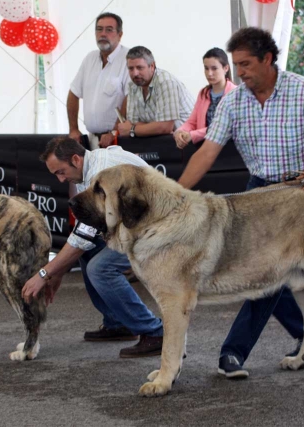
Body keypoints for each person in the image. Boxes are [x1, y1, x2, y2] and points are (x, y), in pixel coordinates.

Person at [177, 27, 304, 379]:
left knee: (264, 272)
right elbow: (207, 153)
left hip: (301, 196)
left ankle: (233, 351)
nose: (239, 72)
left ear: (268, 59)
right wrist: (177, 195)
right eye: (236, 65)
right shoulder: (232, 101)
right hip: (258, 192)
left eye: (246, 64)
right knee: (274, 273)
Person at [21, 137, 164, 358]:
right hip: (141, 222)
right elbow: (84, 234)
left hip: (157, 227)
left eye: (60, 172)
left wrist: (45, 273)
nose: (60, 180)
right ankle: (118, 323)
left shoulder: (99, 172)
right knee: (89, 254)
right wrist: (56, 271)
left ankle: (155, 332)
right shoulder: (89, 169)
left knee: (100, 268)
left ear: (76, 159)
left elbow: (82, 235)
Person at [67, 13, 130, 150]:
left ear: (120, 35)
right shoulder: (90, 59)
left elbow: (130, 98)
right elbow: (73, 92)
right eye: (99, 29)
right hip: (92, 140)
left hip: (117, 141)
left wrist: (114, 132)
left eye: (109, 30)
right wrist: (73, 129)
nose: (103, 34)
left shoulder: (128, 59)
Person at [115, 46, 194, 141]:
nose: (135, 73)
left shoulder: (165, 82)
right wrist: (154, 127)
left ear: (152, 66)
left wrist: (133, 129)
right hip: (160, 141)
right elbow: (133, 123)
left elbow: (165, 127)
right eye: (131, 68)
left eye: (140, 68)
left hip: (187, 142)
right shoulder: (133, 86)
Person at [174, 48, 238, 149]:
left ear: (226, 68)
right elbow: (192, 122)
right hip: (205, 148)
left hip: (229, 151)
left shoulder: (235, 93)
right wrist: (180, 132)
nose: (209, 73)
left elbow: (224, 127)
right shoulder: (203, 93)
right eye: (206, 68)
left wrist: (194, 135)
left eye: (214, 68)